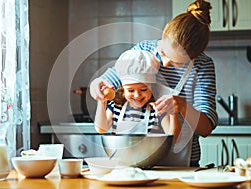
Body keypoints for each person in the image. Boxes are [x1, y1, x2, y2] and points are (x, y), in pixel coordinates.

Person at [90, 0, 218, 167]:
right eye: (163, 52)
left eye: (176, 63)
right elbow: (109, 81)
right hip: (138, 158)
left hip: (183, 161)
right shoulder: (144, 50)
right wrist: (97, 85)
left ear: (193, 57)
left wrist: (182, 105)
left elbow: (206, 128)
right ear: (164, 34)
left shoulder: (202, 66)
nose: (164, 64)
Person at [94, 49, 181, 142]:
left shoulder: (158, 108)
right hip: (121, 156)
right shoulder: (116, 106)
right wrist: (102, 102)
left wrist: (173, 113)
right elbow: (101, 129)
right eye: (130, 90)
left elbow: (173, 138)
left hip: (152, 156)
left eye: (143, 89)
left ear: (152, 87)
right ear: (123, 88)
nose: (137, 95)